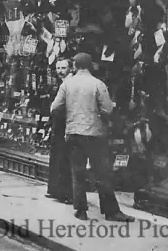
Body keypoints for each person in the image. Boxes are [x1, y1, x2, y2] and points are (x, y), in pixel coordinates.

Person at [51, 53, 134, 222]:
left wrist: (70, 115)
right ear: (91, 66)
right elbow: (108, 109)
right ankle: (111, 212)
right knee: (102, 173)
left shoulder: (67, 84)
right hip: (95, 134)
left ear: (74, 66)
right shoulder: (98, 84)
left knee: (78, 173)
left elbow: (54, 108)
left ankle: (81, 210)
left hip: (74, 133)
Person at [45, 58, 73, 204]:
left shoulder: (70, 83)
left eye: (63, 68)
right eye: (58, 68)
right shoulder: (60, 83)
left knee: (64, 159)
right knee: (57, 157)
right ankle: (56, 190)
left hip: (65, 125)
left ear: (70, 68)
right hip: (58, 125)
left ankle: (65, 193)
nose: (60, 71)